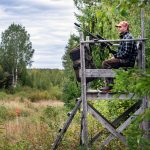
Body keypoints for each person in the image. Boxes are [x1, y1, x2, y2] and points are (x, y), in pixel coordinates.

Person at [100, 21, 137, 92]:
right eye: (118, 27)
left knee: (105, 63)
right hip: (125, 59)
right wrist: (115, 55)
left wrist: (116, 56)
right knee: (109, 62)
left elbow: (126, 53)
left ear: (126, 27)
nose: (118, 28)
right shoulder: (125, 37)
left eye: (120, 27)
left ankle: (110, 86)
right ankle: (110, 84)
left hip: (127, 61)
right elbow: (122, 52)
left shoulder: (128, 37)